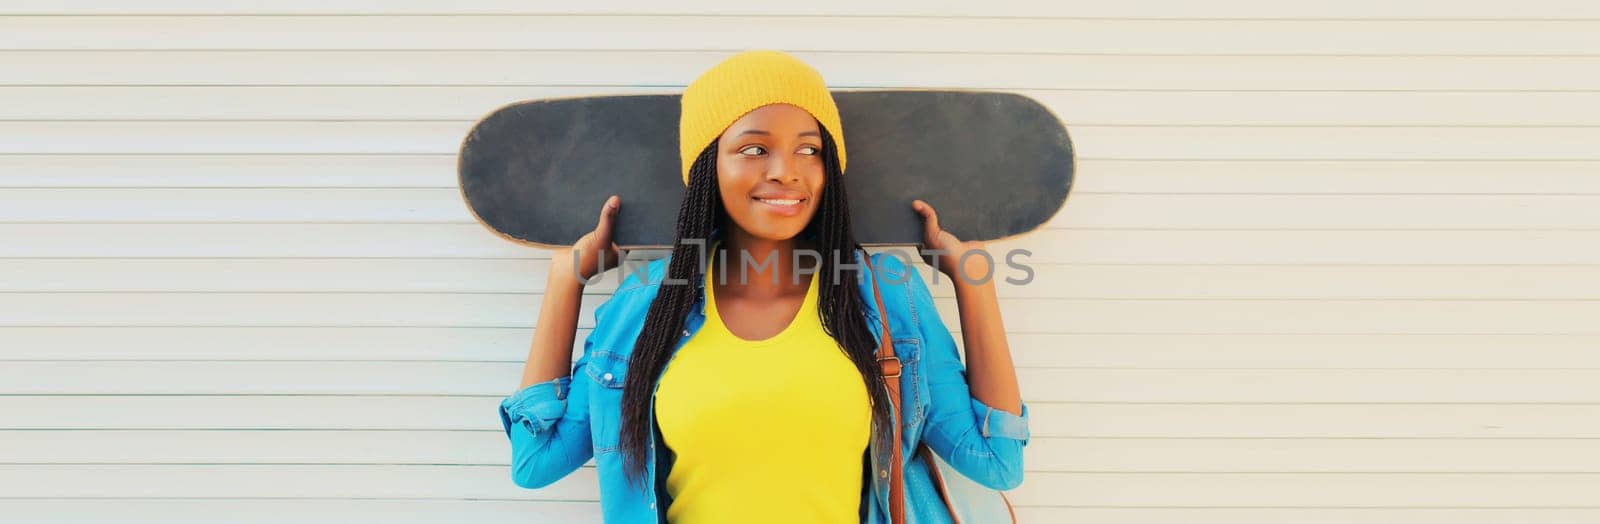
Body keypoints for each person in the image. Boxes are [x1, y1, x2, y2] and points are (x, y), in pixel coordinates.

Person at [498, 49, 1030, 523]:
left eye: (809, 149)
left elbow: (996, 462)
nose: (786, 171)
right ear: (708, 166)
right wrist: (565, 282)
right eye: (754, 149)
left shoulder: (884, 296)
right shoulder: (645, 305)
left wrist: (972, 283)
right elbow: (535, 460)